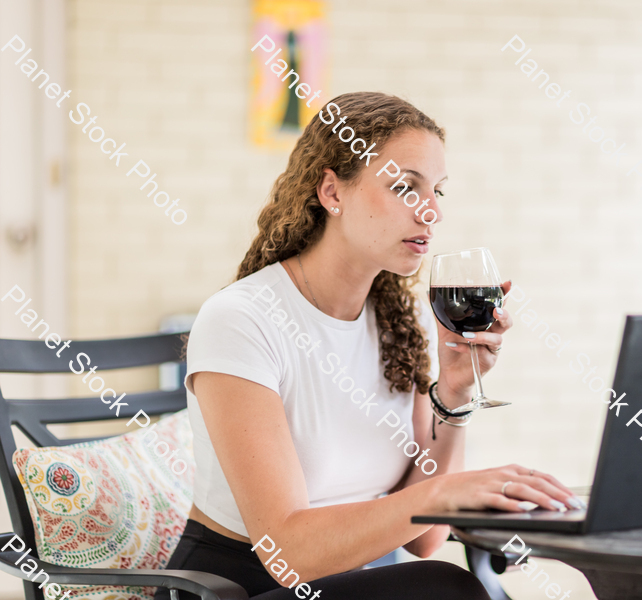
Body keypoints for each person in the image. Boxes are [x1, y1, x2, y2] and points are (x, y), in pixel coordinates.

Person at [158, 92, 583, 600]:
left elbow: (426, 537)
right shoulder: (241, 320)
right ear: (333, 192)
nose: (431, 212)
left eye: (438, 192)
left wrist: (453, 394)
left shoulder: (404, 323)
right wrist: (446, 492)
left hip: (359, 583)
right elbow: (289, 554)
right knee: (449, 588)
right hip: (241, 587)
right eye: (405, 187)